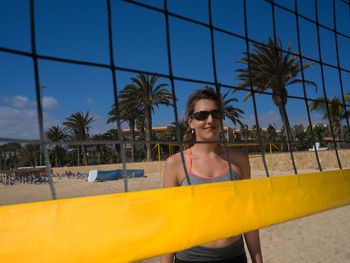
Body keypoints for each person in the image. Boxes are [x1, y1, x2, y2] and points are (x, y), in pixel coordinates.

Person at [161, 88, 263, 263]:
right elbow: (170, 223)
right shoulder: (176, 164)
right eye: (202, 115)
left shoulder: (240, 160)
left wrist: (257, 259)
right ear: (191, 121)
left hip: (234, 258)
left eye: (215, 114)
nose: (210, 120)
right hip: (191, 259)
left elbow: (248, 215)